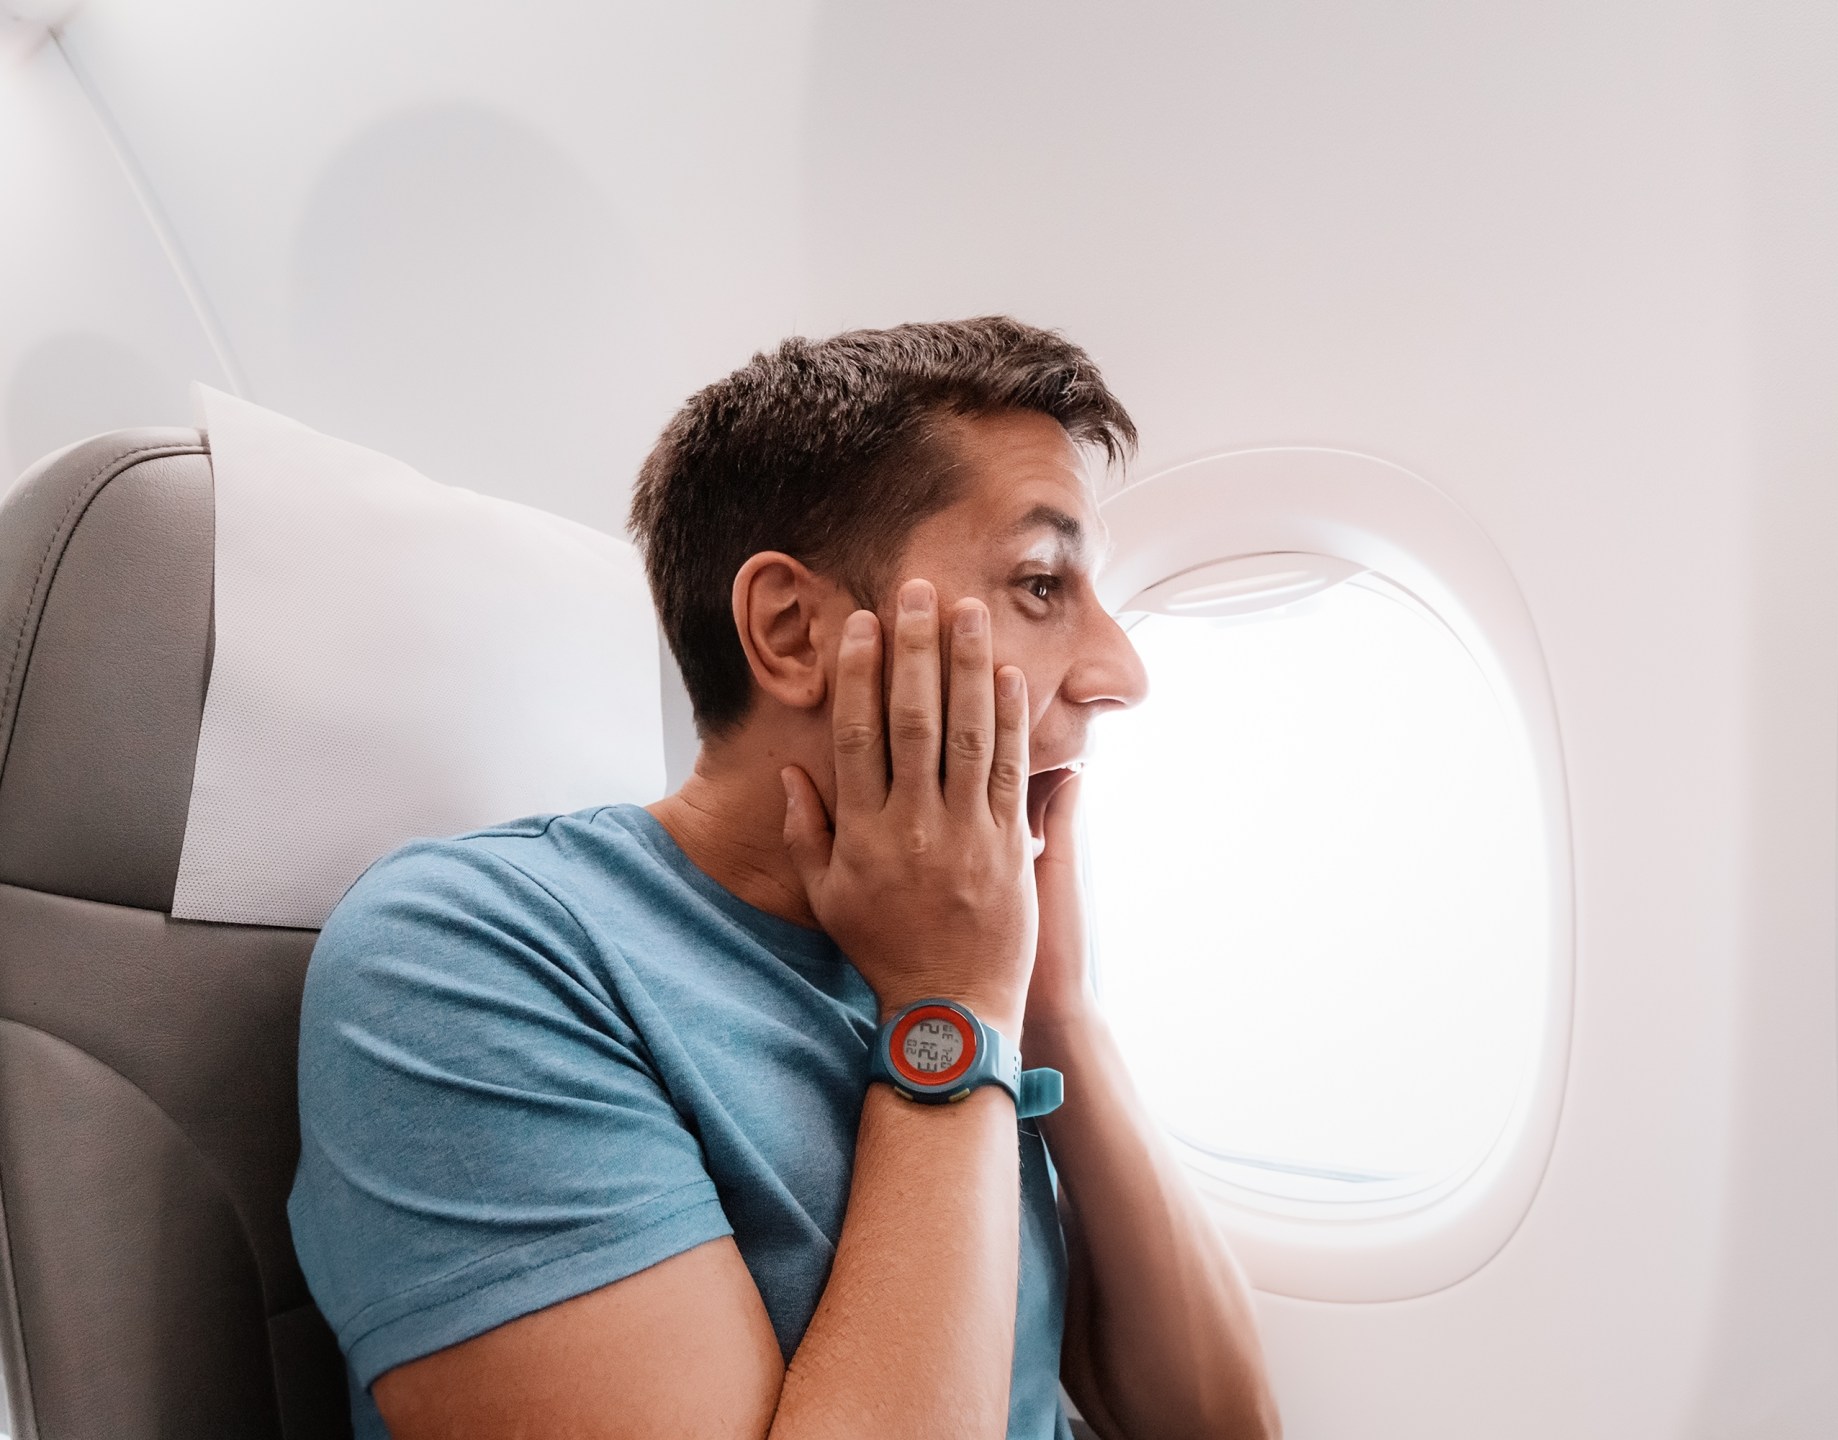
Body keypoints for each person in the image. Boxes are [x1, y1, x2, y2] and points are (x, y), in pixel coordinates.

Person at [288, 317, 1283, 1440]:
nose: (1121, 672)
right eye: (1042, 583)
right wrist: (946, 1012)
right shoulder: (468, 955)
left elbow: (1222, 1428)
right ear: (794, 631)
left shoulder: (963, 943)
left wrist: (1053, 1011)